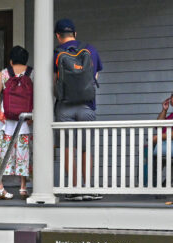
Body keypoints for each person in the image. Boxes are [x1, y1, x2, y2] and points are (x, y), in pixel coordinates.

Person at [53, 18, 103, 202]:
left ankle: (74, 189)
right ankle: (88, 187)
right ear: (75, 33)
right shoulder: (90, 50)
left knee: (67, 148)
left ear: (58, 36)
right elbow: (94, 76)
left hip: (64, 107)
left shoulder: (57, 53)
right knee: (84, 148)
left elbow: (54, 84)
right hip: (86, 106)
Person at [0, 46, 33, 200]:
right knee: (24, 152)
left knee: (1, 151)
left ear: (11, 60)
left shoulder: (4, 73)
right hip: (25, 117)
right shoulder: (32, 73)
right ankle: (23, 187)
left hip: (6, 117)